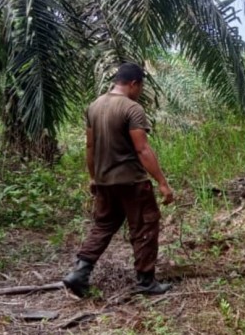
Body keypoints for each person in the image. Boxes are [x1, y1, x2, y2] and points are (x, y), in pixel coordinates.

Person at [62, 63, 175, 298]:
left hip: (104, 182)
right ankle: (146, 281)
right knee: (145, 225)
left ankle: (80, 273)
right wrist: (162, 183)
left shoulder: (94, 106)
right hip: (131, 181)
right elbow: (142, 149)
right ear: (134, 84)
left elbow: (90, 146)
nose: (140, 92)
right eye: (140, 87)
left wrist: (93, 177)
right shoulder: (131, 108)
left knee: (103, 226)